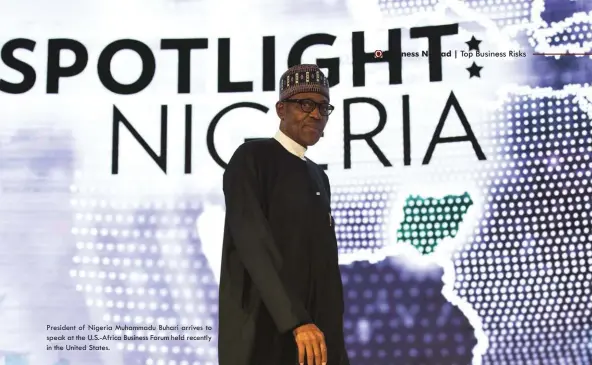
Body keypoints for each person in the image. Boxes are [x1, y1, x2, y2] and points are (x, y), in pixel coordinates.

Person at [218, 64, 349, 365]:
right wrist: (296, 320)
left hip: (318, 343)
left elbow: (325, 268)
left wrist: (335, 345)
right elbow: (254, 243)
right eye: (305, 104)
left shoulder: (318, 176)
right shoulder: (252, 158)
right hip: (266, 335)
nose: (316, 114)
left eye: (323, 107)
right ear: (281, 109)